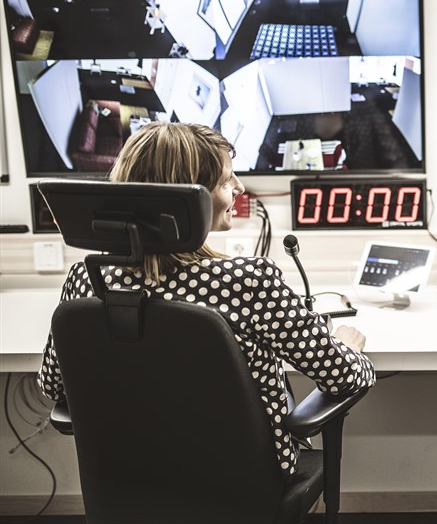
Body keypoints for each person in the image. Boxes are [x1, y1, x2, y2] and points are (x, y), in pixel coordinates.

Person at [37, 122, 375, 476]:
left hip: (127, 480)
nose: (240, 187)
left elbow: (52, 385)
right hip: (245, 479)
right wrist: (344, 346)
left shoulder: (86, 280)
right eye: (226, 181)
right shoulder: (247, 282)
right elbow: (344, 376)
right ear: (190, 198)